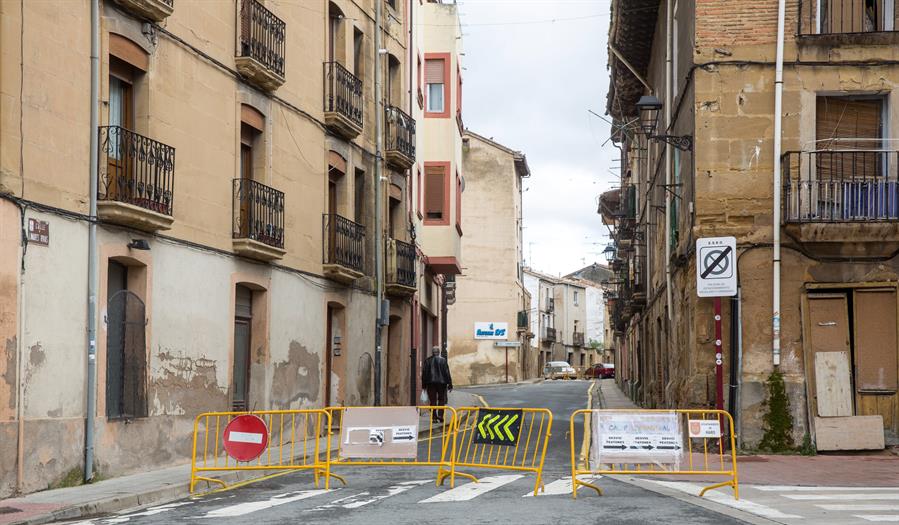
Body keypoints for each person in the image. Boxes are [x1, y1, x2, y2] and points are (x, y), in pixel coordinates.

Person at [421, 346, 453, 422]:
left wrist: (424, 385)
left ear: (432, 352)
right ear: (438, 352)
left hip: (430, 383)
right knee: (441, 399)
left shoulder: (427, 361)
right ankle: (440, 415)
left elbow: (424, 374)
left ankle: (434, 418)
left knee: (432, 401)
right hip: (442, 383)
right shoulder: (443, 360)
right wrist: (450, 384)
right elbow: (447, 373)